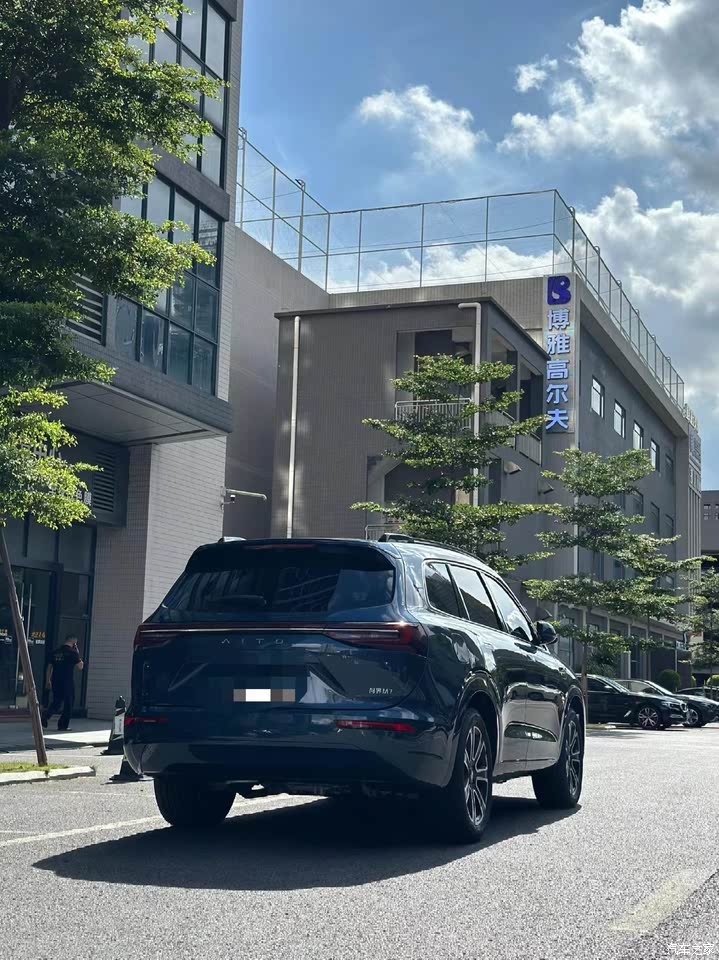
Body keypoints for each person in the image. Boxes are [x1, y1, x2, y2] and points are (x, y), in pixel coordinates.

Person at [42, 635, 83, 731]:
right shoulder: (73, 653)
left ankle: (46, 715)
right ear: (73, 642)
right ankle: (63, 725)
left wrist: (48, 680)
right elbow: (80, 666)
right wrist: (77, 653)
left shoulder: (56, 652)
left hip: (56, 680)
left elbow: (49, 667)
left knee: (57, 701)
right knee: (69, 703)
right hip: (67, 681)